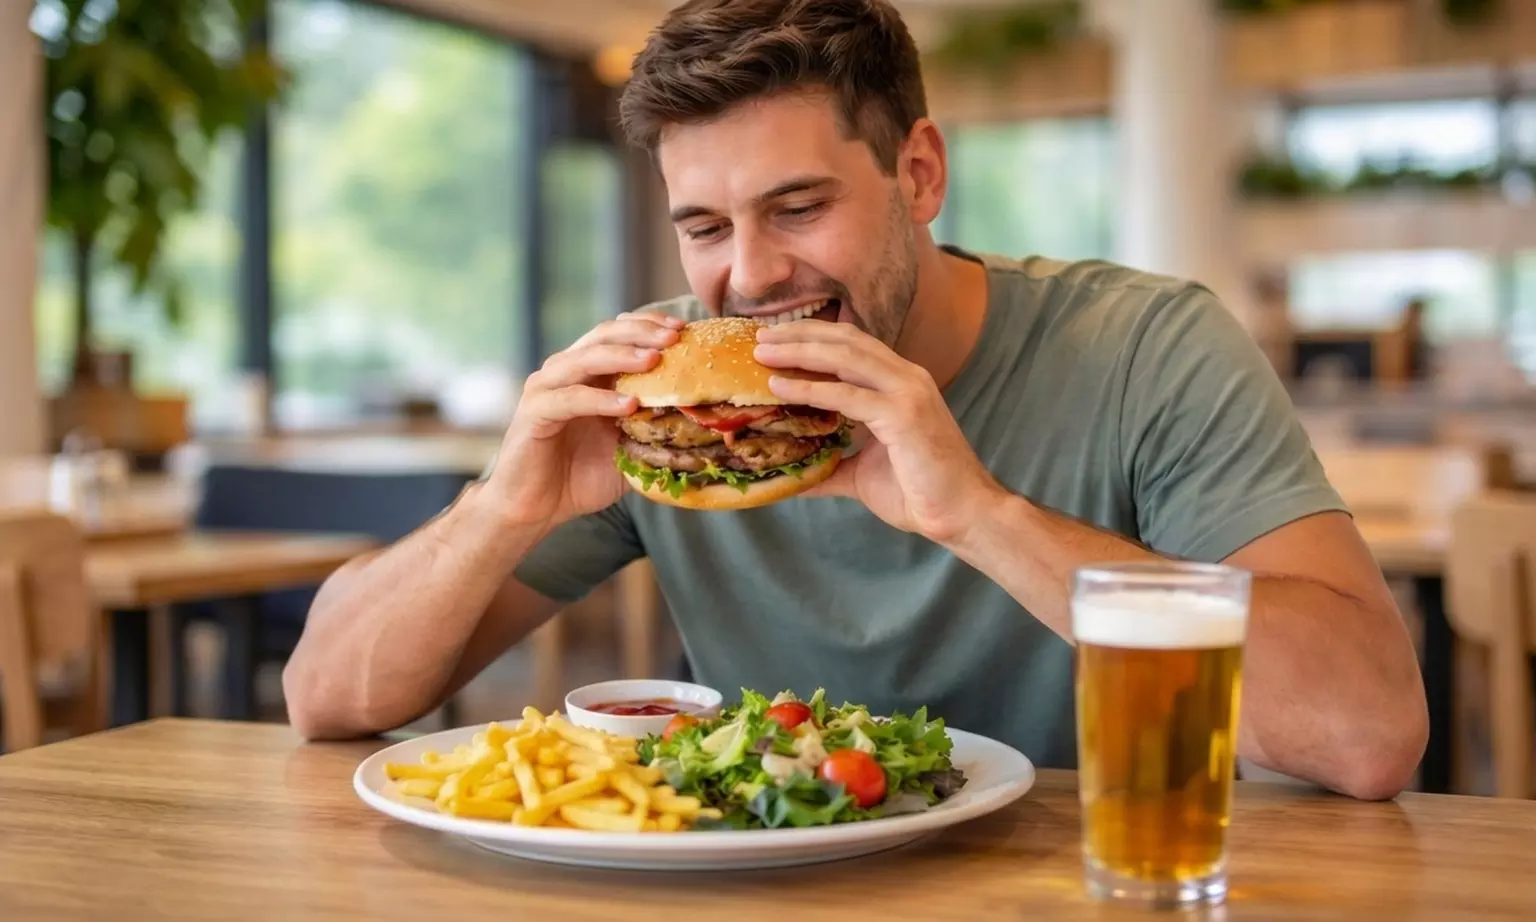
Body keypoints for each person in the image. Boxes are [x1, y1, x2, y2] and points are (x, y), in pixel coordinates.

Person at [283, 0, 1427, 799]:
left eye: (797, 206)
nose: (749, 275)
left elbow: (1369, 735)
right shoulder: (667, 401)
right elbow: (326, 697)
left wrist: (977, 513)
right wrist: (505, 509)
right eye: (703, 227)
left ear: (919, 174)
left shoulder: (1146, 346)